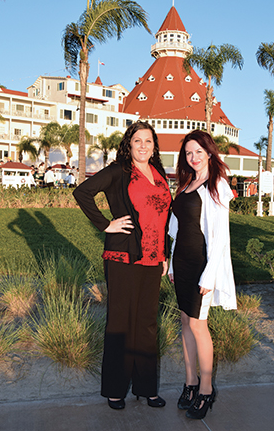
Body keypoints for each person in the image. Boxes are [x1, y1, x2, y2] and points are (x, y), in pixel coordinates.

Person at [73, 121, 171, 410]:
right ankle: (115, 390)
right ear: (129, 144)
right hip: (124, 258)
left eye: (148, 141)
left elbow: (161, 218)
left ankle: (146, 388)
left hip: (153, 260)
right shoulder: (119, 171)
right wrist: (106, 224)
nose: (143, 146)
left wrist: (164, 254)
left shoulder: (158, 174)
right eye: (137, 141)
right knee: (120, 323)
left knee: (147, 324)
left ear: (154, 147)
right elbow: (83, 192)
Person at [168, 130, 237, 420]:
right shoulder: (186, 183)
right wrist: (171, 265)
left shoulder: (217, 184)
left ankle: (207, 390)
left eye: (198, 151)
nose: (193, 157)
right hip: (181, 263)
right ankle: (191, 383)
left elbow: (219, 236)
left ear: (209, 152)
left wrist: (209, 275)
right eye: (188, 153)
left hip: (201, 264)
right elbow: (176, 228)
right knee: (185, 322)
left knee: (199, 327)